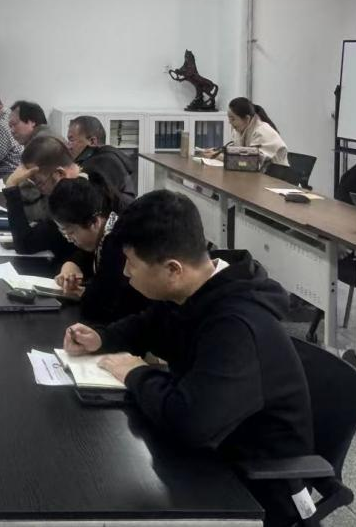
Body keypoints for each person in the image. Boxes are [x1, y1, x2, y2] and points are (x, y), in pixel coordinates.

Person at [61, 190, 312, 526]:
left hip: (254, 486)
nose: (125, 272)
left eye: (132, 263)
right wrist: (102, 338)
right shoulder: (195, 289)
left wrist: (136, 373)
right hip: (213, 446)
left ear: (172, 269)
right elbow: (148, 326)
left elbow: (190, 423)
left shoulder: (236, 326)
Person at [48, 174, 144, 323]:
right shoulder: (107, 229)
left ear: (94, 222)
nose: (69, 239)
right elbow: (85, 256)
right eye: (64, 234)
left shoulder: (116, 246)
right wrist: (71, 265)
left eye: (71, 233)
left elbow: (100, 306)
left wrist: (81, 293)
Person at [205, 97, 289, 169]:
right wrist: (217, 152)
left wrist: (218, 157)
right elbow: (237, 155)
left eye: (233, 119)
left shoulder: (263, 132)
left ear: (247, 118)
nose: (229, 122)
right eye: (229, 118)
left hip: (276, 178)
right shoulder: (239, 130)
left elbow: (251, 163)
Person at [66, 115, 135, 198]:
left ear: (92, 141)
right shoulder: (107, 156)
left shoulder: (103, 164)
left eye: (71, 140)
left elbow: (87, 201)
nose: (68, 146)